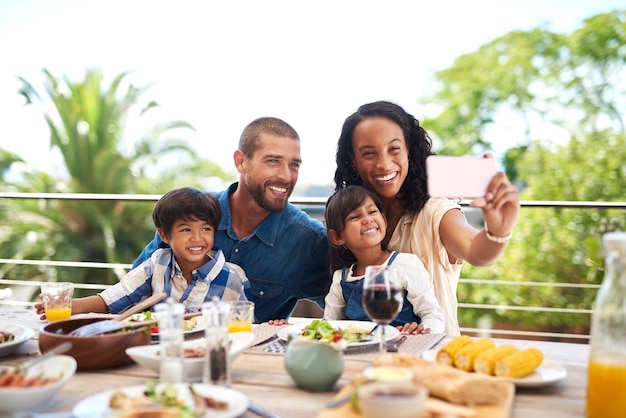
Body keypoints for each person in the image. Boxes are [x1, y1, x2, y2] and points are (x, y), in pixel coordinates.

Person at [333, 101, 520, 336]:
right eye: (369, 153)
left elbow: (476, 251)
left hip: (433, 357)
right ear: (353, 160)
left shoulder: (435, 211)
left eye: (394, 149)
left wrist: (498, 231)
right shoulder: (349, 221)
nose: (384, 163)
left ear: (409, 149)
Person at [132, 117, 331, 323]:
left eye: (294, 165)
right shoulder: (188, 214)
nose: (286, 176)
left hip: (251, 352)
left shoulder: (309, 241)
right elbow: (133, 292)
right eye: (273, 161)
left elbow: (345, 313)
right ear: (241, 162)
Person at [35, 187, 248, 319]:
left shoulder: (231, 278)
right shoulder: (157, 264)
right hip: (158, 349)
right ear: (164, 235)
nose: (197, 238)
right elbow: (117, 296)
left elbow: (247, 324)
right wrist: (72, 306)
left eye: (206, 229)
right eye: (185, 230)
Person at [323, 185, 445, 334]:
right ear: (337, 237)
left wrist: (423, 332)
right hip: (360, 354)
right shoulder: (340, 279)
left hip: (404, 350)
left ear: (384, 220)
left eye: (372, 211)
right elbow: (329, 326)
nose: (367, 219)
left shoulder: (406, 264)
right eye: (355, 216)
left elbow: (432, 314)